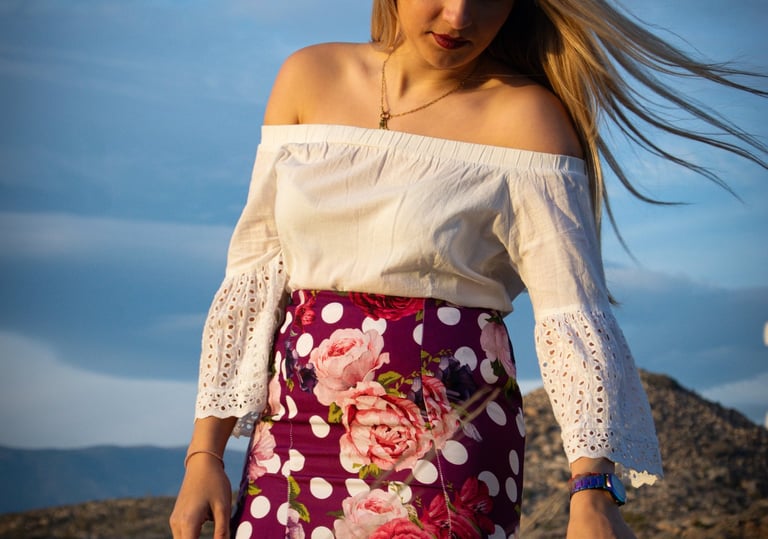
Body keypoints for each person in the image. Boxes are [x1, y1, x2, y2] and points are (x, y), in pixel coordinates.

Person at [170, 1, 766, 538]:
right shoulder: (308, 77)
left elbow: (573, 318)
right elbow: (255, 278)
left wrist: (593, 495)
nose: (459, 16)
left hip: (449, 448)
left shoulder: (529, 119)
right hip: (289, 442)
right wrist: (205, 456)